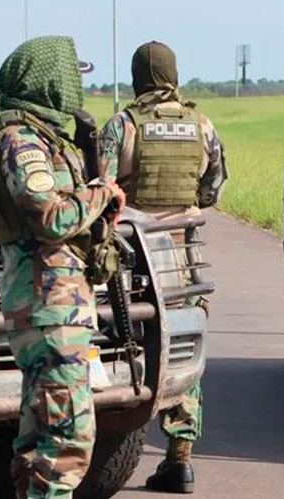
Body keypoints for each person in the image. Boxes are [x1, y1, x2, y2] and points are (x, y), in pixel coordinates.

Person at [0, 35, 125, 499]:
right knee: (66, 439)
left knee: (39, 437)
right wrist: (102, 193)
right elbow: (50, 217)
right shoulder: (22, 138)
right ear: (50, 80)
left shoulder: (28, 131)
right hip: (50, 302)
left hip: (48, 301)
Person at [97, 40, 227, 494]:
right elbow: (214, 188)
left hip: (134, 259)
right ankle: (180, 457)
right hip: (184, 257)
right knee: (183, 349)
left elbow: (101, 188)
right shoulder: (201, 124)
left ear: (137, 78)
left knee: (125, 348)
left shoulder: (122, 125)